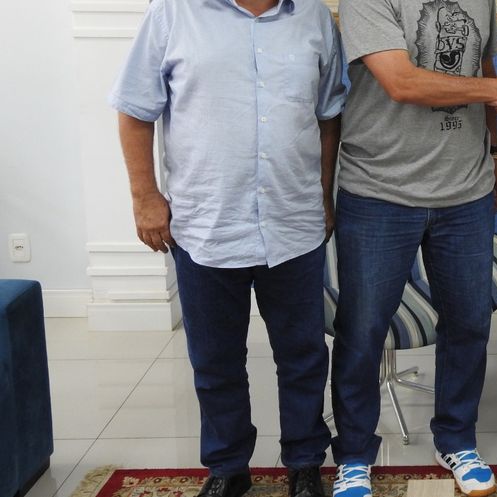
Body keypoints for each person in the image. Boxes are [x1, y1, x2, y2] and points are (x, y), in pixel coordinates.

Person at [109, 1, 345, 496]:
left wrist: (324, 194)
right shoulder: (172, 14)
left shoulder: (314, 17)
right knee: (215, 361)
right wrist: (145, 197)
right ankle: (227, 467)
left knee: (303, 356)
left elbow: (328, 116)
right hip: (206, 224)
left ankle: (304, 463)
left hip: (292, 221)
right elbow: (134, 110)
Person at [328, 1, 497, 497]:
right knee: (362, 329)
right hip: (379, 190)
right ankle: (353, 454)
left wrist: (495, 154)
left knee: (469, 323)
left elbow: (483, 63)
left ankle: (456, 439)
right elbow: (402, 83)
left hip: (466, 191)